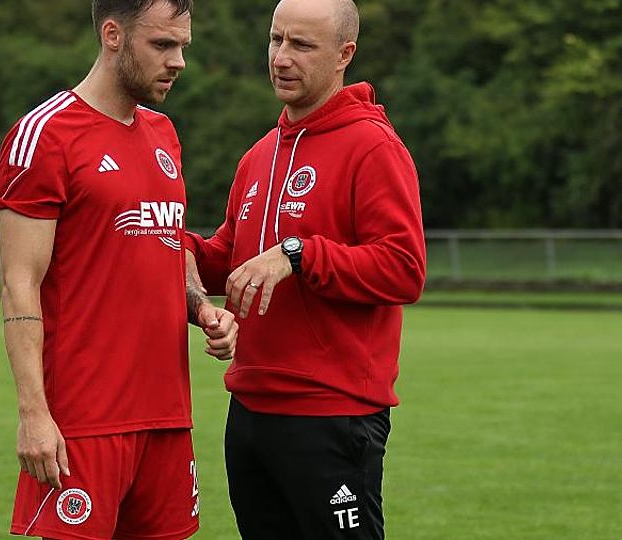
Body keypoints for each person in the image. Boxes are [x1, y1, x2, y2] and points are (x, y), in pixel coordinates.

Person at [0, 1, 237, 539]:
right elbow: (18, 286)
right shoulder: (44, 135)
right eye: (162, 45)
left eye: (182, 47)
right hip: (82, 422)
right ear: (112, 35)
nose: (178, 62)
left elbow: (169, 248)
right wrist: (34, 413)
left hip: (168, 417)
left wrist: (201, 308)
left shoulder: (165, 134)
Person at [184, 0, 426, 538]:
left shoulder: (374, 147)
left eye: (301, 45)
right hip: (249, 411)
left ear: (345, 54)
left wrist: (299, 254)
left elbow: (404, 268)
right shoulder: (260, 154)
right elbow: (228, 258)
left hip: (331, 415)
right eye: (276, 40)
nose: (281, 58)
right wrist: (167, 243)